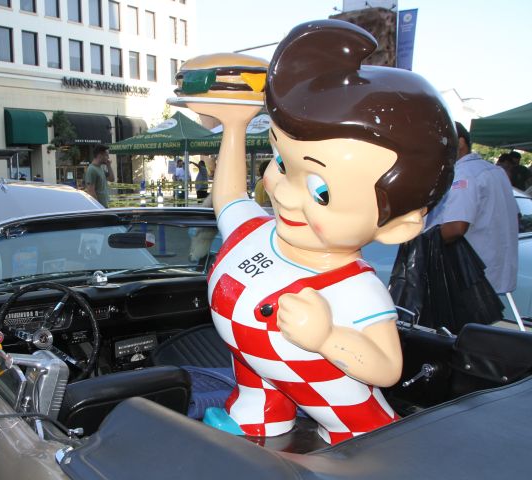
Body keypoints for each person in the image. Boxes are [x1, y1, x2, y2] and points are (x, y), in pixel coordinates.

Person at [186, 19, 456, 443]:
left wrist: (329, 338)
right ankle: (258, 412)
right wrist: (235, 126)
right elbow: (230, 197)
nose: (285, 193)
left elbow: (387, 367)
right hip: (256, 378)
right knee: (254, 396)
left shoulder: (352, 287)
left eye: (322, 191)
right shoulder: (256, 232)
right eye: (281, 163)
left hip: (342, 411)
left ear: (398, 226)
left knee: (359, 435)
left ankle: (360, 439)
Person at [426, 122, 518, 295]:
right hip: (494, 274)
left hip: (470, 279)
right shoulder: (496, 172)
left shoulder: (463, 175)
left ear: (460, 143)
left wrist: (421, 243)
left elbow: (456, 227)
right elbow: (516, 216)